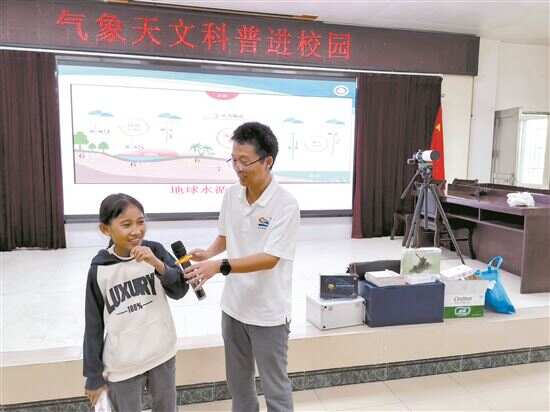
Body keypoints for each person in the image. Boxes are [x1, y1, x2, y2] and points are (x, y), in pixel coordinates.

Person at [184, 122, 300, 412]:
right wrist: (208, 253)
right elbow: (226, 235)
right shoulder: (231, 195)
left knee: (275, 387)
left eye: (244, 161)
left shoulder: (286, 205)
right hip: (234, 308)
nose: (237, 168)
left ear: (268, 161)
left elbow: (270, 258)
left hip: (268, 313)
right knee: (239, 385)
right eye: (233, 160)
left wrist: (219, 265)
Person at [83, 193, 188, 411]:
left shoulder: (155, 251)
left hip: (161, 354)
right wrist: (93, 375)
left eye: (140, 222)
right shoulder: (100, 268)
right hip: (123, 365)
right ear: (105, 229)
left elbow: (180, 290)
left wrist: (157, 264)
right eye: (126, 224)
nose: (136, 230)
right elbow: (93, 325)